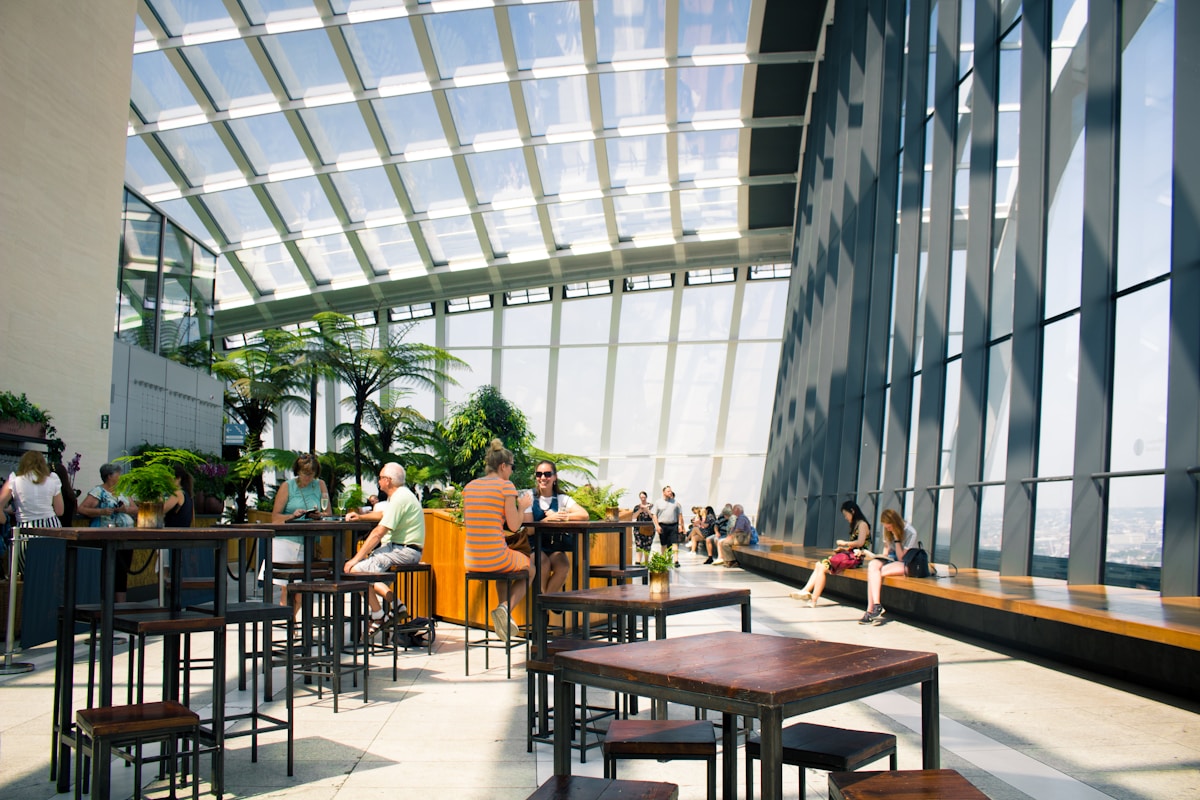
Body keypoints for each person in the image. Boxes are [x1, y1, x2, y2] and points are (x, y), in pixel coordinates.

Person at [463, 439, 533, 642]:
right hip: (496, 558)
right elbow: (513, 525)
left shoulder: (469, 487)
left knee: (502, 574)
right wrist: (522, 506)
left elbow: (470, 521)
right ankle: (504, 608)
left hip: (472, 561)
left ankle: (505, 618)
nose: (512, 471)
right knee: (531, 568)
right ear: (503, 466)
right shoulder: (506, 487)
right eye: (512, 466)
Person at [345, 462, 425, 628]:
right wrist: (360, 517)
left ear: (388, 480)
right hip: (402, 548)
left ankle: (379, 615)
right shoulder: (400, 495)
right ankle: (396, 606)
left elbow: (377, 533)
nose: (378, 481)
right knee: (365, 572)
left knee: (355, 570)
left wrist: (355, 558)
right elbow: (383, 514)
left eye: (380, 478)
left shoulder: (400, 498)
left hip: (404, 550)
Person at [269, 452, 330, 615]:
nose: (308, 478)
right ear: (298, 471)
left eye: (311, 474)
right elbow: (275, 517)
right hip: (287, 542)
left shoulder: (320, 485)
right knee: (287, 588)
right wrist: (292, 516)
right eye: (305, 474)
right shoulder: (287, 486)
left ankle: (292, 620)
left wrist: (319, 516)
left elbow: (328, 512)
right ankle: (290, 625)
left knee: (302, 591)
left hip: (308, 543)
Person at [522, 459, 588, 595]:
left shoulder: (561, 498)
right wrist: (548, 520)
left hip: (554, 546)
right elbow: (530, 530)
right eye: (539, 474)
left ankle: (546, 601)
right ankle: (548, 603)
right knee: (543, 562)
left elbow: (584, 514)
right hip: (534, 546)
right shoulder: (529, 496)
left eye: (547, 474)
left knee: (563, 565)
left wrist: (564, 516)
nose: (543, 478)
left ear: (554, 477)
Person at [789, 500, 871, 607]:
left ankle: (812, 598)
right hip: (851, 556)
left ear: (852, 511)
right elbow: (856, 545)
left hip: (855, 559)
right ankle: (806, 591)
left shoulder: (862, 524)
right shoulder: (857, 525)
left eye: (846, 515)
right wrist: (843, 549)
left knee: (822, 566)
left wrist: (845, 543)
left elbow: (860, 542)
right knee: (819, 565)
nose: (846, 518)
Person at [0, 451, 66, 576]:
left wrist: (4, 519)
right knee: (51, 571)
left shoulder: (14, 480)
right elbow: (59, 511)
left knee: (28, 573)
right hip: (51, 527)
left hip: (25, 528)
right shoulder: (53, 479)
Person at [858, 508, 918, 625]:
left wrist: (896, 538)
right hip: (891, 559)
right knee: (872, 566)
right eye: (886, 527)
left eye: (889, 527)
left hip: (907, 562)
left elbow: (902, 558)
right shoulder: (887, 530)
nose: (888, 529)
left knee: (876, 574)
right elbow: (886, 551)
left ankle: (870, 611)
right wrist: (879, 557)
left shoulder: (911, 532)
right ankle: (876, 605)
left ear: (895, 523)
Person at [651, 485, 683, 567]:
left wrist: (680, 525)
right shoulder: (658, 502)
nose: (670, 492)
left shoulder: (675, 502)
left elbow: (679, 514)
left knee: (675, 543)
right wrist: (657, 526)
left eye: (671, 491)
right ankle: (664, 559)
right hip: (663, 525)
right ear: (664, 492)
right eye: (668, 491)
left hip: (673, 525)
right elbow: (654, 515)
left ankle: (676, 561)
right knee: (664, 544)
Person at [631, 491, 654, 564]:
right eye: (641, 497)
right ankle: (638, 561)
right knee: (639, 544)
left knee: (647, 545)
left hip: (649, 527)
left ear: (646, 497)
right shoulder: (637, 507)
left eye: (644, 497)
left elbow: (652, 516)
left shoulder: (651, 506)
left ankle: (646, 561)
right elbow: (633, 517)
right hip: (638, 528)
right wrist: (640, 510)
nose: (643, 499)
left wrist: (647, 509)